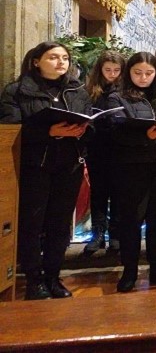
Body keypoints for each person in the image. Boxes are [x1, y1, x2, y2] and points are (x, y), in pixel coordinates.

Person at [0, 42, 92, 300]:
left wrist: (85, 129)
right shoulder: (17, 91)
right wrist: (48, 132)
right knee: (31, 223)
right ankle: (33, 280)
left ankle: (53, 276)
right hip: (34, 166)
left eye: (64, 57)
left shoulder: (78, 91)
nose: (60, 62)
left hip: (69, 165)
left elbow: (89, 122)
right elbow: (10, 129)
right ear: (36, 61)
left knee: (60, 224)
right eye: (53, 57)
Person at [106, 52, 156, 293]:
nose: (143, 77)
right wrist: (144, 137)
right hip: (133, 166)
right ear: (129, 72)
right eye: (138, 73)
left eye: (149, 73)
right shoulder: (118, 98)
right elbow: (114, 132)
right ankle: (129, 271)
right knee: (131, 219)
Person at [83, 50, 126, 256]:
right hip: (97, 146)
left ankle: (116, 234)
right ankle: (98, 233)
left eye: (117, 70)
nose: (112, 74)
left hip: (120, 147)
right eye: (108, 70)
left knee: (119, 191)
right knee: (99, 191)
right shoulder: (90, 90)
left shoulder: (126, 90)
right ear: (100, 70)